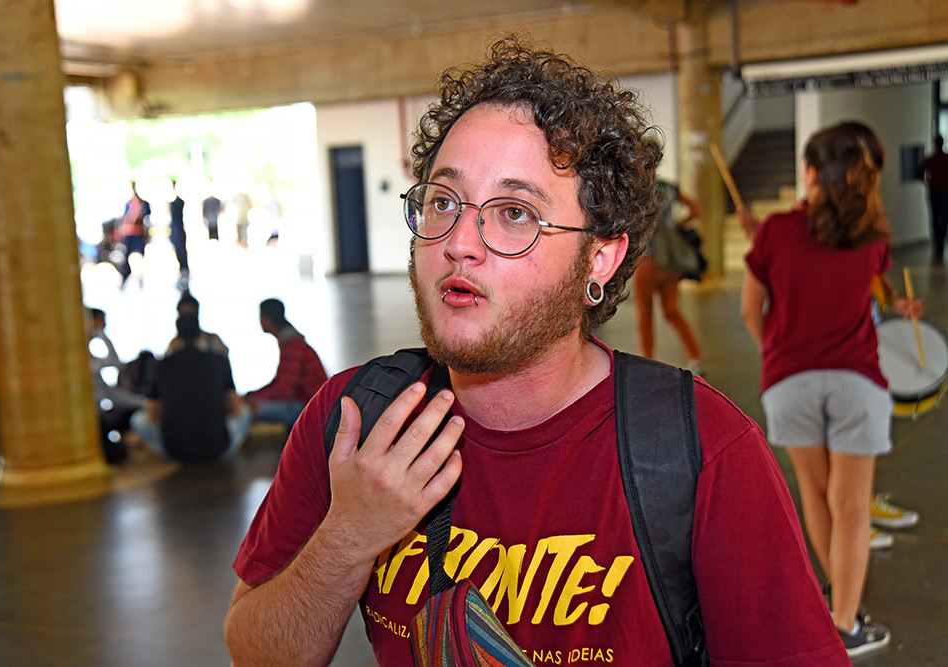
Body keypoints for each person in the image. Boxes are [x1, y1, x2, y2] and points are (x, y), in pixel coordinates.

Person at [224, 37, 849, 666]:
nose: (460, 241)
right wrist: (348, 538)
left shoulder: (705, 453)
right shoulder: (356, 422)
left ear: (598, 259)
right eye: (443, 201)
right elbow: (255, 653)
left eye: (516, 213)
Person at [741, 123, 922, 657]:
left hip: (789, 382)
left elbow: (753, 310)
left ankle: (836, 605)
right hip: (857, 382)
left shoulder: (775, 230)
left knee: (816, 497)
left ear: (812, 173)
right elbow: (873, 278)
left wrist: (775, 348)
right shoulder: (874, 235)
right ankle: (846, 621)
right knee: (851, 507)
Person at [130, 313, 250, 463]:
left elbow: (153, 415)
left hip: (173, 450)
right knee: (245, 412)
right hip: (218, 448)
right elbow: (236, 408)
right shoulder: (220, 361)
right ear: (201, 335)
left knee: (138, 419)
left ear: (176, 338)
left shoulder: (160, 365)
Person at [633, 174, 704, 373]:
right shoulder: (670, 187)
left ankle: (647, 362)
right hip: (670, 260)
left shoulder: (638, 185)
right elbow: (697, 210)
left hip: (647, 259)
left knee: (645, 314)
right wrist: (677, 225)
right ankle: (696, 357)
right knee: (672, 310)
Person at [244, 298, 327, 430]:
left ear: (268, 318)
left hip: (311, 408)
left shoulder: (293, 346)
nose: (259, 321)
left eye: (260, 316)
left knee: (246, 410)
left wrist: (251, 400)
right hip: (308, 402)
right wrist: (252, 395)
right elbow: (280, 383)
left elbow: (283, 391)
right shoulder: (292, 342)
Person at [86, 307, 145, 463]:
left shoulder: (90, 355)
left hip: (99, 414)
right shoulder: (83, 358)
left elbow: (115, 363)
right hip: (94, 419)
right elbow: (109, 393)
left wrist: (102, 336)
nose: (104, 326)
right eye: (101, 322)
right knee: (133, 411)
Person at [164, 291, 229, 357]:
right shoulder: (174, 346)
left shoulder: (213, 341)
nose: (187, 320)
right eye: (184, 313)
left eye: (190, 313)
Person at [918, 133, 948, 264]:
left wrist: (928, 182)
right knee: (945, 217)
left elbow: (920, 173)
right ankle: (941, 240)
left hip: (934, 191)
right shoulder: (946, 158)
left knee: (935, 216)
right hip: (946, 192)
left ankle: (938, 241)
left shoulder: (930, 159)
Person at [116, 181, 150, 284]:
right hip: (130, 233)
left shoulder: (143, 203)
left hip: (138, 233)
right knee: (127, 256)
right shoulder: (129, 203)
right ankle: (125, 275)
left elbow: (147, 217)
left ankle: (142, 277)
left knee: (141, 254)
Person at [169, 179, 190, 287]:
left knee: (181, 251)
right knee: (178, 252)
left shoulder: (178, 202)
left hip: (178, 230)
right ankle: (183, 270)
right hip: (176, 230)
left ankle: (184, 270)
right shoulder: (175, 202)